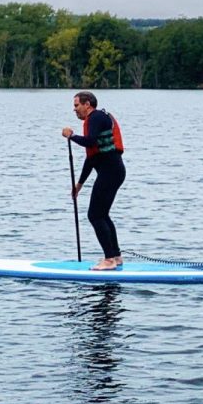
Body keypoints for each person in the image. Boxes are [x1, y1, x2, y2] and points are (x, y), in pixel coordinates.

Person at [62, 91, 126, 270]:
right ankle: (116, 256)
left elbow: (89, 142)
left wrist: (71, 136)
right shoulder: (95, 120)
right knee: (102, 214)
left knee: (95, 215)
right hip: (112, 171)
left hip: (111, 172)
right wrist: (79, 185)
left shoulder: (96, 117)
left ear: (87, 104)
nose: (74, 110)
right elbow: (92, 158)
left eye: (76, 105)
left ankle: (109, 260)